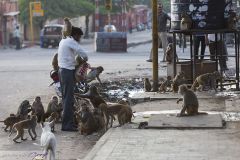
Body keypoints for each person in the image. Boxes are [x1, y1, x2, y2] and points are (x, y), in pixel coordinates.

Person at [58, 26, 88, 132]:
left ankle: (69, 123)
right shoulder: (71, 41)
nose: (79, 38)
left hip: (62, 70)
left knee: (67, 98)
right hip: (66, 72)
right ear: (75, 35)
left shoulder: (63, 41)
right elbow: (83, 53)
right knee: (68, 99)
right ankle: (66, 125)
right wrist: (85, 60)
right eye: (79, 36)